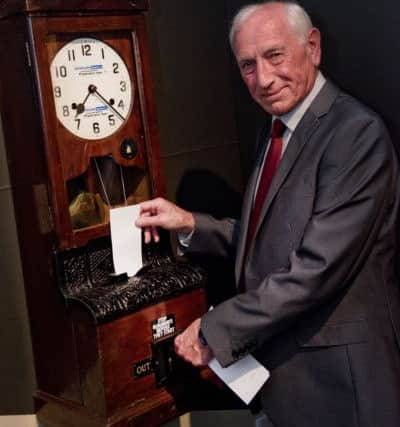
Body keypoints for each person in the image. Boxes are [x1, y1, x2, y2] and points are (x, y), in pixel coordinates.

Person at [135, 1, 400, 426]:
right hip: (281, 389)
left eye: (274, 55)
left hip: (339, 393)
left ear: (312, 47)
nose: (263, 79)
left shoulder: (355, 134)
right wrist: (190, 224)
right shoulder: (276, 128)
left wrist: (214, 331)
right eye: (247, 65)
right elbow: (272, 240)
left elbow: (316, 267)